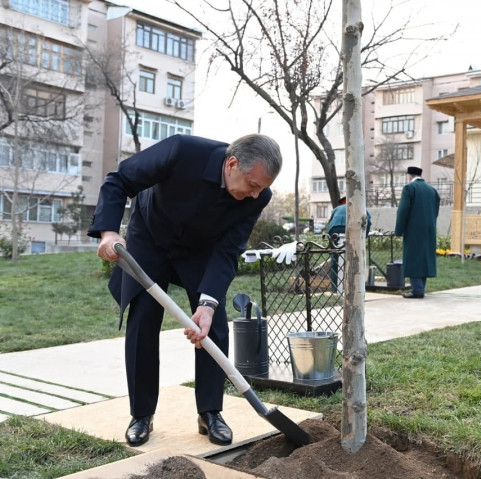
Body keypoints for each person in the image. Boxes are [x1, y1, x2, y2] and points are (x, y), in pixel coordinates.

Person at [87, 134, 282, 447]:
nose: (256, 194)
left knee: (212, 326)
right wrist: (108, 233)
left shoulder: (258, 196)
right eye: (253, 184)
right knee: (143, 319)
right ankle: (141, 415)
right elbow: (119, 180)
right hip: (150, 237)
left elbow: (228, 250)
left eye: (262, 187)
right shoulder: (181, 152)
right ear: (232, 164)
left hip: (199, 250)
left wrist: (208, 304)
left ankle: (210, 412)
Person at [394, 166, 440, 299]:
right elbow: (436, 210)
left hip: (413, 229)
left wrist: (399, 230)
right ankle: (420, 288)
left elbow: (403, 210)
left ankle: (417, 290)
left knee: (413, 258)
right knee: (424, 258)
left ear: (409, 176)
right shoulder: (432, 190)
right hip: (429, 229)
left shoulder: (409, 188)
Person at [326, 196, 372, 291]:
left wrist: (330, 241)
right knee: (355, 256)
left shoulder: (337, 209)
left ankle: (334, 288)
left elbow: (330, 222)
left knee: (335, 258)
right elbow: (368, 222)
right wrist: (364, 237)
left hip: (335, 229)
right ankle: (354, 287)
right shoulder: (360, 208)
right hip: (351, 227)